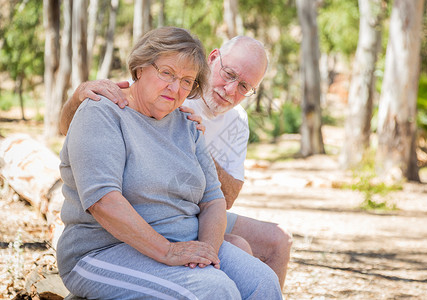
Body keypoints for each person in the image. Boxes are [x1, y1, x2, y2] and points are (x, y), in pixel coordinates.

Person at [57, 27, 282, 299]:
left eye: (187, 81)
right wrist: (167, 251)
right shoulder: (103, 111)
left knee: (263, 282)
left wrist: (208, 251)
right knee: (213, 291)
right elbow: (103, 201)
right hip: (102, 249)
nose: (176, 88)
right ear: (140, 68)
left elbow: (214, 199)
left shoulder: (187, 125)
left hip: (184, 238)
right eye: (167, 73)